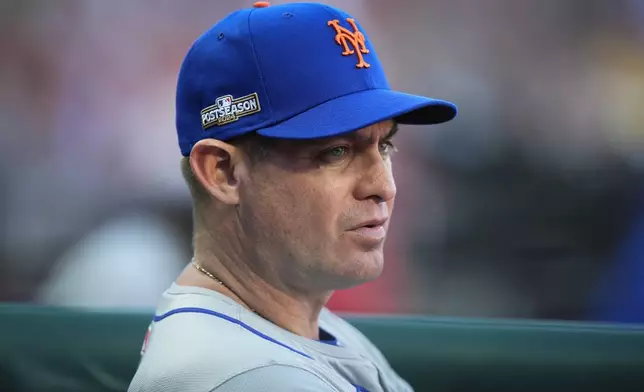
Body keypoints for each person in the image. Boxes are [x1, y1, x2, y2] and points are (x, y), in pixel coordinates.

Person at [128, 2, 457, 391]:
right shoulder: (242, 375)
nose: (383, 186)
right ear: (224, 173)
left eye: (384, 146)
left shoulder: (298, 323)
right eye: (337, 152)